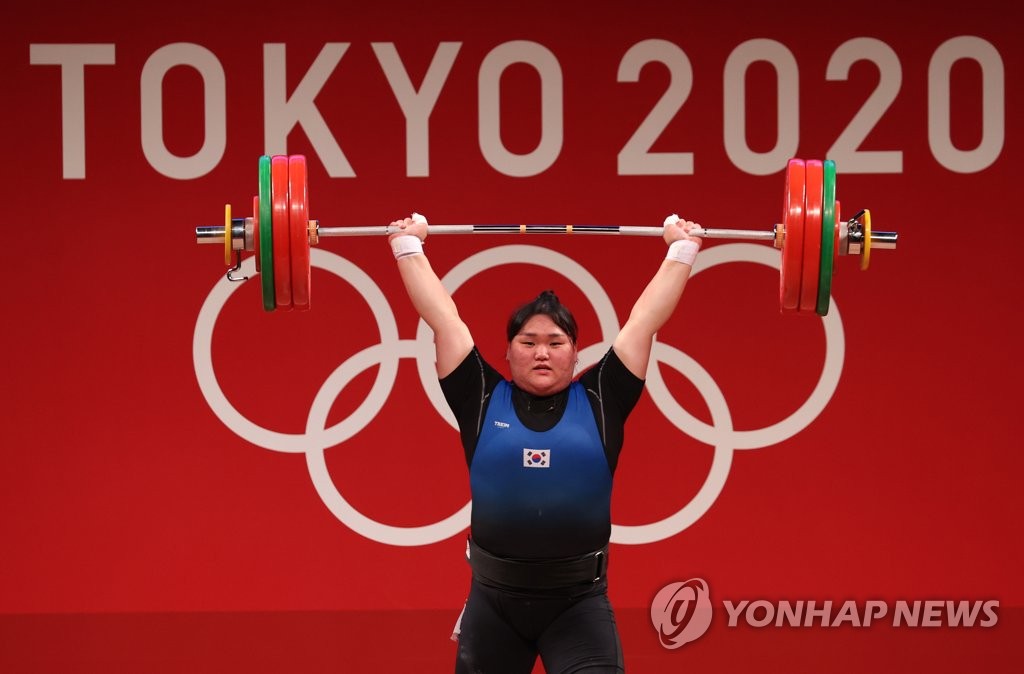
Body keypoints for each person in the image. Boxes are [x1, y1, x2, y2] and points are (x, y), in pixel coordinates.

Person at [388, 212, 702, 674]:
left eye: (555, 342)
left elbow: (644, 320)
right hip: (493, 607)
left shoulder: (602, 397)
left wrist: (681, 250)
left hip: (578, 605)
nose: (540, 352)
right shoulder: (479, 394)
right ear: (508, 350)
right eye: (528, 341)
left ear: (576, 352)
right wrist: (408, 248)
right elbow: (442, 317)